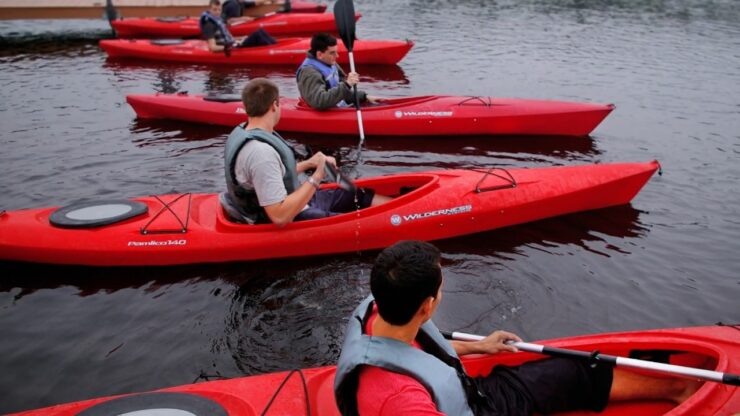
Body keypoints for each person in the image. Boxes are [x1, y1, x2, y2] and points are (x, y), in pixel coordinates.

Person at [334, 240, 702, 416]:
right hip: (475, 409)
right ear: (427, 306)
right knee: (575, 375)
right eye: (441, 287)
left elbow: (413, 354)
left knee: (560, 374)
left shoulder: (377, 312)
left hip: (468, 394)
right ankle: (682, 389)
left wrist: (480, 347)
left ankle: (678, 388)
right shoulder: (404, 404)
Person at [221, 78, 392, 227]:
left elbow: (269, 175)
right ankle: (395, 220)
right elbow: (279, 217)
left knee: (355, 195)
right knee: (352, 221)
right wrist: (317, 176)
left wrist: (310, 163)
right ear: (274, 105)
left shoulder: (245, 131)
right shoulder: (260, 153)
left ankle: (395, 211)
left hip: (293, 200)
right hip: (288, 216)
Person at [296, 32, 382, 110]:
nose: (337, 56)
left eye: (336, 52)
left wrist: (363, 97)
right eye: (332, 53)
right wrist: (347, 84)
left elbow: (341, 93)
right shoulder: (309, 72)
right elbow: (319, 102)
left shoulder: (330, 63)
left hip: (336, 107)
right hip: (320, 114)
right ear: (319, 54)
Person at [200, 0, 276, 54]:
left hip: (234, 44)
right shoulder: (209, 25)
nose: (217, 12)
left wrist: (241, 38)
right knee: (258, 34)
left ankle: (275, 45)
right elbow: (213, 47)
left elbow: (229, 38)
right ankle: (274, 50)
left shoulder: (219, 20)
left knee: (261, 31)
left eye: (219, 10)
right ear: (210, 10)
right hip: (231, 48)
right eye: (214, 10)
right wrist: (226, 48)